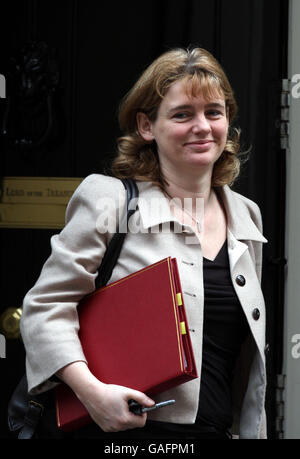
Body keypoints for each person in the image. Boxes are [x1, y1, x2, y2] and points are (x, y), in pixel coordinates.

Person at [20, 47, 268, 439]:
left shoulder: (245, 215)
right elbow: (45, 308)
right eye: (182, 114)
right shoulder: (110, 201)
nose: (202, 126)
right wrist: (91, 393)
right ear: (146, 126)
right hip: (122, 432)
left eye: (214, 112)